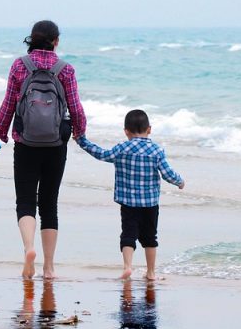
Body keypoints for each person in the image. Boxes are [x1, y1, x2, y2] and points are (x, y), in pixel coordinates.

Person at [0, 20, 86, 280]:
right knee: (49, 204)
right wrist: (79, 133)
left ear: (32, 39)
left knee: (26, 201)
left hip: (25, 143)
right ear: (56, 41)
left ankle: (29, 249)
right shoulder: (66, 70)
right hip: (55, 145)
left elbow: (7, 105)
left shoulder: (19, 66)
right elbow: (76, 108)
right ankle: (49, 267)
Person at [77, 109, 184, 280]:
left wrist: (82, 141)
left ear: (126, 131)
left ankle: (127, 267)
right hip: (150, 204)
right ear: (149, 129)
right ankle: (150, 272)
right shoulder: (157, 150)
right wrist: (180, 182)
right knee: (150, 237)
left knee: (128, 235)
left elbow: (101, 154)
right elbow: (167, 173)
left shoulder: (121, 149)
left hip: (128, 204)